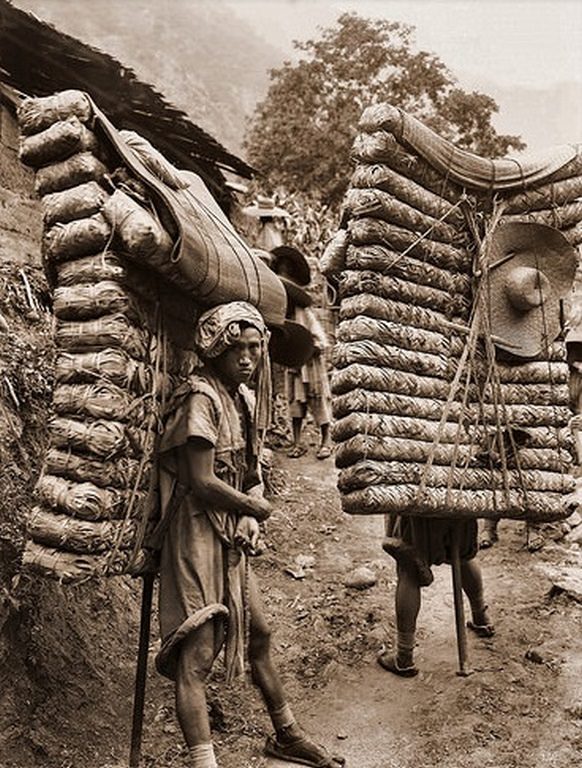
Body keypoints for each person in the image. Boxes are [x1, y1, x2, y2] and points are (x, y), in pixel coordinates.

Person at [154, 301, 344, 768]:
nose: (247, 358)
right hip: (193, 533)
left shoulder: (243, 398)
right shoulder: (201, 398)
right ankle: (205, 762)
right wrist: (251, 506)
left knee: (258, 634)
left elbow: (248, 468)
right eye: (236, 348)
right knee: (195, 656)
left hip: (227, 532)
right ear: (215, 349)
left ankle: (286, 733)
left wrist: (250, 514)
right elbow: (200, 480)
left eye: (255, 348)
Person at [378, 515, 494, 677]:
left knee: (408, 569)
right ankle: (481, 618)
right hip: (458, 502)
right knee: (463, 556)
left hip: (421, 509)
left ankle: (404, 656)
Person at [270, 245, 334, 460]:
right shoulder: (279, 312)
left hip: (311, 364)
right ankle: (298, 442)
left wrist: (313, 348)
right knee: (296, 406)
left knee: (318, 401)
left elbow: (320, 339)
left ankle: (326, 440)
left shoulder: (303, 312)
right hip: (294, 366)